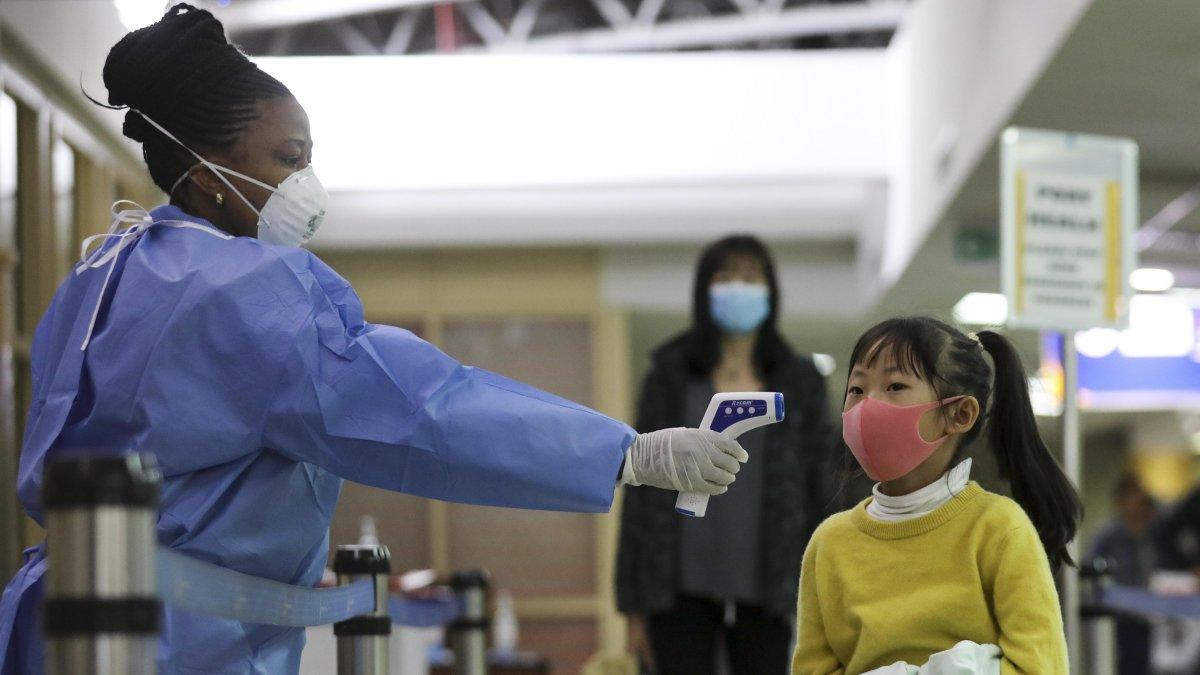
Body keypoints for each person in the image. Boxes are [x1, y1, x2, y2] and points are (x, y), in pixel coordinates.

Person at [0, 6, 750, 674]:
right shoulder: (245, 289)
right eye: (288, 159)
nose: (308, 181)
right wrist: (625, 452)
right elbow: (420, 409)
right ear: (205, 179)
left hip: (55, 627)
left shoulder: (101, 272)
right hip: (173, 645)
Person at [793, 317, 1082, 674]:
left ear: (959, 414)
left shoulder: (998, 528)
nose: (868, 406)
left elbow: (1042, 667)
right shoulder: (829, 543)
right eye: (857, 390)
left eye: (895, 386)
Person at [616, 235, 834, 675]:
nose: (738, 286)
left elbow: (822, 487)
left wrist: (821, 593)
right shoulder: (669, 377)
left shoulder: (800, 381)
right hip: (674, 588)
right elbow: (639, 490)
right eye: (725, 276)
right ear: (703, 291)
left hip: (773, 589)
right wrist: (633, 606)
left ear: (770, 291)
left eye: (750, 277)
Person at [1089, 474, 1159, 675]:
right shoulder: (1108, 535)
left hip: (1152, 616)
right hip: (1122, 618)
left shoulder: (1154, 532)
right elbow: (1093, 569)